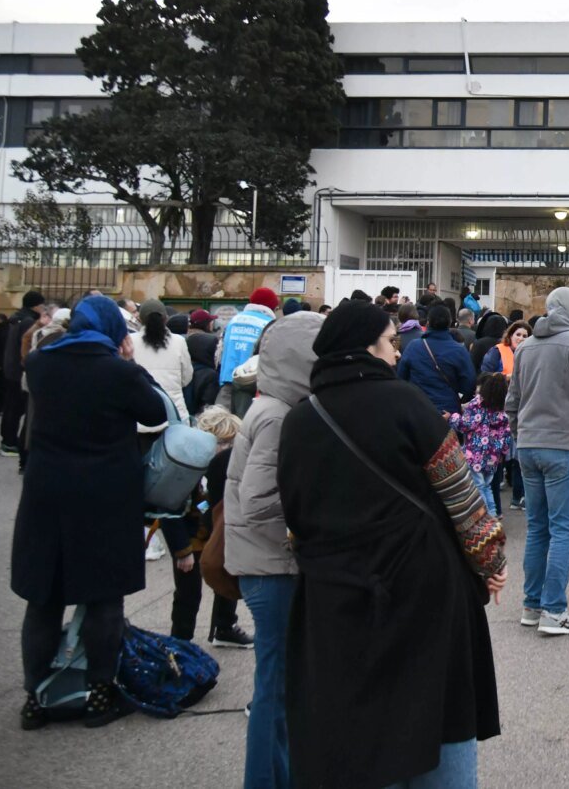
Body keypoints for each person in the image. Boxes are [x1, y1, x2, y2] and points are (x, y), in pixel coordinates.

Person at [278, 300, 507, 789]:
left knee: (361, 727)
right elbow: (462, 495)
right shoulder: (406, 403)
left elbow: (295, 520)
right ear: (365, 346)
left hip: (337, 599)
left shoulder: (299, 420)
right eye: (389, 341)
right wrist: (490, 562)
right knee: (442, 712)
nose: (396, 352)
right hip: (423, 589)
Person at [12, 296, 167, 729]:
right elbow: (154, 412)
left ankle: (35, 697)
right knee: (104, 597)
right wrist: (131, 364)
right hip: (105, 493)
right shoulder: (117, 371)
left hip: (47, 492)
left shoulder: (40, 364)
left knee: (43, 598)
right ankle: (99, 693)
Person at [225, 308, 321, 789]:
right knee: (275, 689)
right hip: (271, 569)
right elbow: (261, 502)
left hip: (267, 565)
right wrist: (303, 538)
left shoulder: (275, 407)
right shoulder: (279, 417)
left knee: (280, 686)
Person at [507, 286, 569, 635]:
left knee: (537, 528)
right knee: (563, 529)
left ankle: (532, 604)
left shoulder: (526, 346)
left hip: (529, 445)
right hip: (564, 445)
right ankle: (554, 610)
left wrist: (520, 434)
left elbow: (512, 401)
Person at [160, 406, 248, 646]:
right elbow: (170, 511)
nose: (229, 449)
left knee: (227, 579)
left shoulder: (223, 467)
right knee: (188, 594)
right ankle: (181, 642)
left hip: (214, 532)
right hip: (190, 538)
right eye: (224, 443)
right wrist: (182, 551)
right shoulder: (186, 468)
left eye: (232, 443)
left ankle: (225, 626)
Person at [396, 304, 477, 416]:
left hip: (419, 408)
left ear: (428, 322)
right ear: (450, 322)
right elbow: (469, 383)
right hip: (448, 410)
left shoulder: (413, 347)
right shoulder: (459, 350)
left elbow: (401, 377)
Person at [130, 299, 194, 421]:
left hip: (139, 412)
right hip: (174, 411)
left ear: (140, 319)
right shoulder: (179, 341)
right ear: (165, 318)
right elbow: (187, 378)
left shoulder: (130, 340)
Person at [0, 289, 45, 458]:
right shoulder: (28, 322)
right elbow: (27, 344)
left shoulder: (15, 318)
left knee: (11, 407)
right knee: (18, 408)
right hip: (19, 370)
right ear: (36, 305)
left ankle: (7, 440)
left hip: (10, 368)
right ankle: (11, 442)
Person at [217, 289, 279, 409]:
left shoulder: (234, 320)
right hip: (252, 381)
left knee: (222, 416)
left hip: (228, 378)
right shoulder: (269, 324)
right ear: (271, 306)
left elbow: (221, 351)